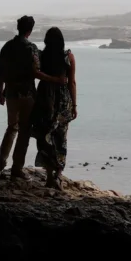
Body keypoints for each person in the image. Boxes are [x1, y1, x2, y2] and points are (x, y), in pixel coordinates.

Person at [0, 16, 67, 179]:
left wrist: (1, 91)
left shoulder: (7, 46)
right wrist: (55, 80)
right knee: (24, 131)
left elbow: (1, 71)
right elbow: (36, 72)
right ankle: (16, 168)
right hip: (27, 95)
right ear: (30, 30)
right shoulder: (31, 48)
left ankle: (0, 164)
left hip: (11, 94)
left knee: (11, 128)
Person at [31, 27, 77, 190]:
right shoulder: (68, 57)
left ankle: (49, 174)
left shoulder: (42, 56)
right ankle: (58, 174)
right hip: (63, 101)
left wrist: (50, 79)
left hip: (45, 98)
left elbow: (35, 73)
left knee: (44, 136)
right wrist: (75, 105)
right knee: (60, 138)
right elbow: (71, 82)